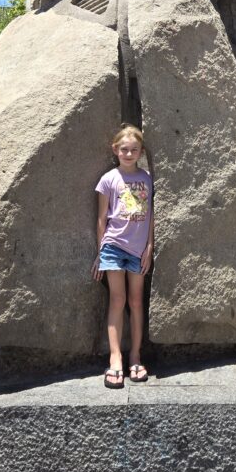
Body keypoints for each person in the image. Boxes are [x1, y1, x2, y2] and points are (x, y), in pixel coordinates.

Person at [92, 124, 154, 389]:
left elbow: (151, 215)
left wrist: (149, 246)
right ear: (115, 149)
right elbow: (101, 219)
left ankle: (135, 355)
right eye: (124, 149)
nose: (129, 154)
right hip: (113, 247)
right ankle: (115, 356)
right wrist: (100, 254)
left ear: (141, 152)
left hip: (138, 250)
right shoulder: (108, 179)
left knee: (136, 301)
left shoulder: (148, 178)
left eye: (134, 150)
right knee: (117, 300)